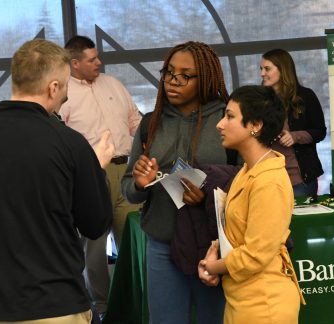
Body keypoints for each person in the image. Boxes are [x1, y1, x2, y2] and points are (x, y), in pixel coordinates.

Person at [0, 39, 114, 324]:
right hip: (58, 306)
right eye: (65, 87)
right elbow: (95, 224)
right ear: (53, 88)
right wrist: (94, 168)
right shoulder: (69, 143)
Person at [122, 41, 237, 324]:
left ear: (207, 79)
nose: (173, 82)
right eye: (168, 73)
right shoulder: (151, 123)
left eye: (185, 76)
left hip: (214, 247)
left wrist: (207, 195)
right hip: (162, 245)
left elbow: (247, 183)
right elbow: (129, 192)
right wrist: (139, 183)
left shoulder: (228, 120)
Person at [199, 85, 306, 324]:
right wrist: (213, 254)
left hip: (264, 305)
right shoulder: (249, 171)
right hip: (242, 300)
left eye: (229, 116)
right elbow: (237, 233)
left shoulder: (269, 181)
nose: (220, 124)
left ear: (255, 126)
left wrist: (213, 267)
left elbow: (255, 255)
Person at [58, 35, 142, 318]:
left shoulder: (113, 84)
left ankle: (135, 301)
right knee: (93, 244)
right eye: (92, 59)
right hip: (88, 174)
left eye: (98, 57)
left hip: (125, 170)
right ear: (75, 63)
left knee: (132, 234)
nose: (99, 63)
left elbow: (136, 123)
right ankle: (104, 308)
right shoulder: (63, 93)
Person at [260, 48, 326, 199]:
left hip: (300, 180)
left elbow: (320, 131)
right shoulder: (258, 100)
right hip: (268, 180)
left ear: (282, 69)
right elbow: (250, 132)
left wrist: (294, 136)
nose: (262, 73)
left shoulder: (306, 96)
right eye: (261, 69)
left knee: (300, 222)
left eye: (267, 69)